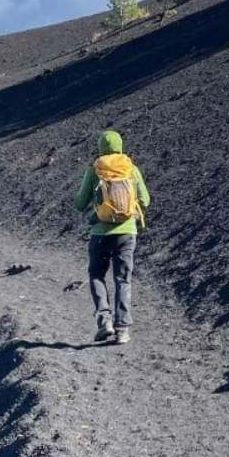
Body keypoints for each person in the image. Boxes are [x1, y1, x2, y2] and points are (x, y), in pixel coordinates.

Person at [73, 130, 150, 344]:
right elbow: (146, 200)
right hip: (127, 233)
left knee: (97, 275)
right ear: (120, 146)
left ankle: (104, 320)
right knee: (122, 279)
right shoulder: (131, 169)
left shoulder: (95, 169)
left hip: (100, 233)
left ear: (100, 147)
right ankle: (123, 330)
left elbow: (79, 203)